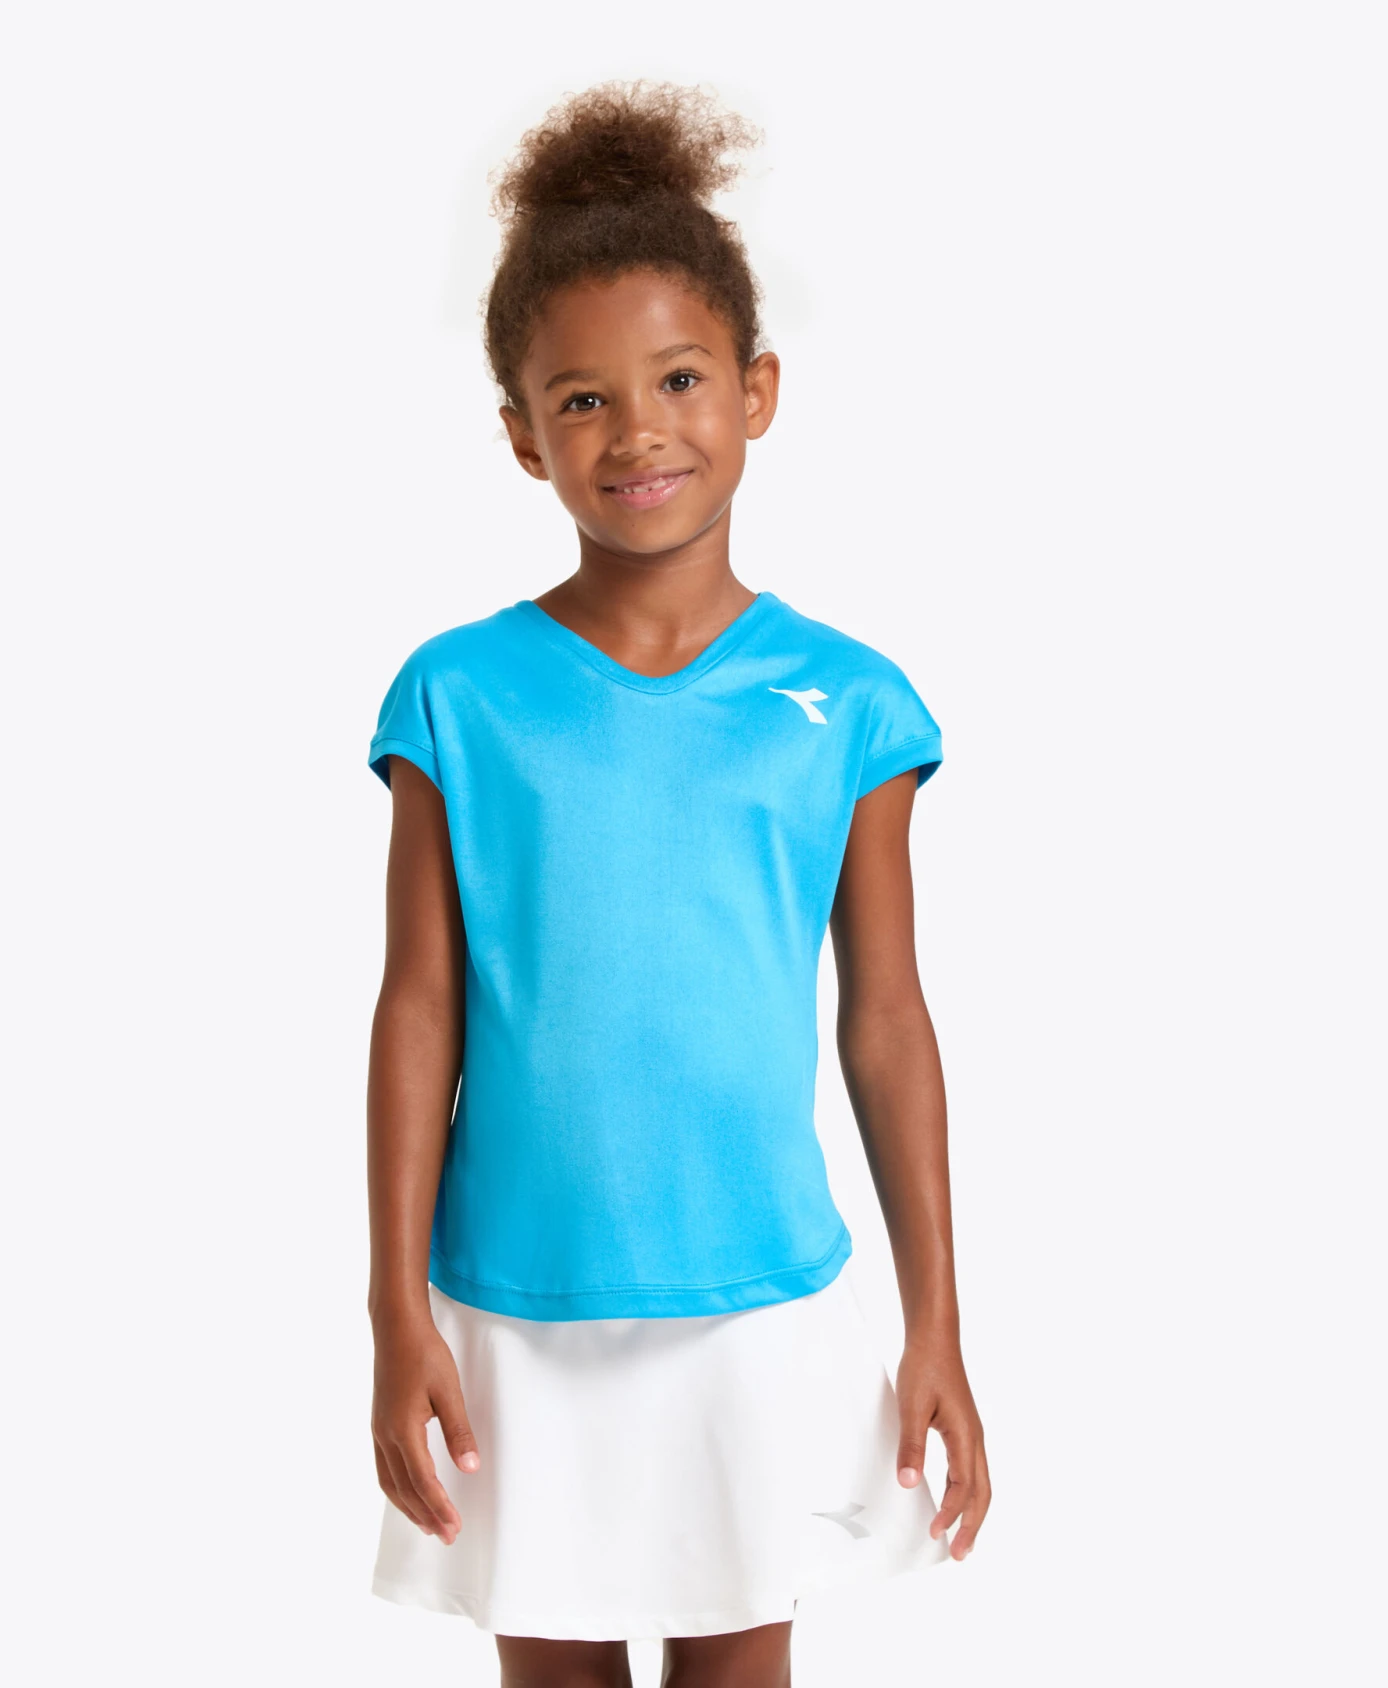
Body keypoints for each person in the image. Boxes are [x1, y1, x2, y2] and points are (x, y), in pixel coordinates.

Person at [365, 81, 990, 1688]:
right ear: (523, 435)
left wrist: (936, 1320)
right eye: (581, 399)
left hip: (755, 1304)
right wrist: (394, 1310)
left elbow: (888, 1021)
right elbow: (420, 1006)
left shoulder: (848, 701)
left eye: (681, 378)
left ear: (757, 390)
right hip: (516, 1300)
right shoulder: (458, 694)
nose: (637, 430)